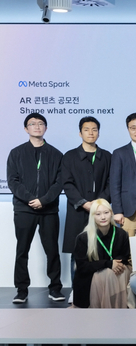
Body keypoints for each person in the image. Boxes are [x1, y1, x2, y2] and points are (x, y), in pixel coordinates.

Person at [6, 113, 64, 304]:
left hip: (49, 210)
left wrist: (44, 200)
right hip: (24, 209)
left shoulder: (56, 154)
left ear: (46, 128)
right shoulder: (16, 153)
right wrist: (32, 199)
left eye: (41, 123)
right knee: (22, 250)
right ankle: (21, 290)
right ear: (26, 129)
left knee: (52, 250)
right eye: (32, 124)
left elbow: (59, 182)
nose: (37, 126)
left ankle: (55, 288)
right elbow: (13, 181)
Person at [61, 116, 112, 286]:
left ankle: (99, 289)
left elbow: (111, 183)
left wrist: (98, 204)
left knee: (101, 249)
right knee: (78, 251)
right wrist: (84, 203)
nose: (91, 133)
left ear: (99, 133)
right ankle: (77, 289)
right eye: (86, 129)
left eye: (94, 129)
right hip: (78, 212)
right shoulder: (69, 156)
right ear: (80, 133)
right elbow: (67, 183)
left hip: (101, 212)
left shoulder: (107, 156)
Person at [73, 199, 131, 308]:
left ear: (111, 213)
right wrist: (108, 264)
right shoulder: (83, 238)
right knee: (105, 274)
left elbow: (124, 256)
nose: (103, 217)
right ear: (92, 216)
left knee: (120, 271)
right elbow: (82, 266)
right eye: (98, 214)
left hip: (115, 274)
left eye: (106, 213)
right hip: (91, 277)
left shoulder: (122, 234)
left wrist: (114, 264)